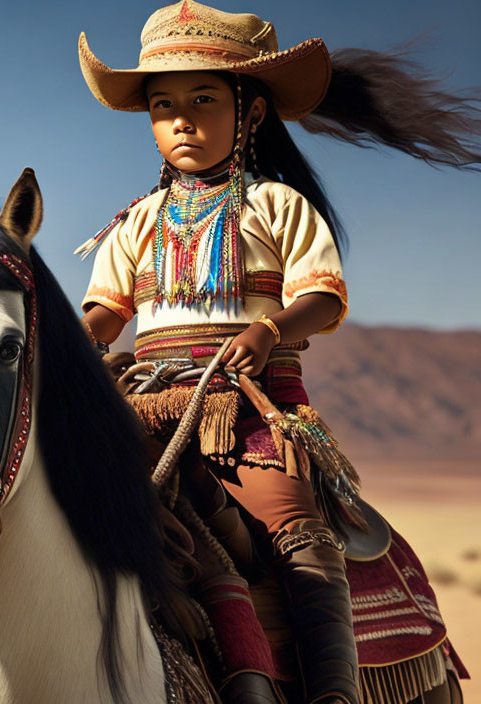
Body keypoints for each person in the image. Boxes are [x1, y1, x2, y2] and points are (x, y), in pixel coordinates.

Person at [75, 1, 477, 703]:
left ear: (251, 112)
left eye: (203, 99)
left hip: (252, 412)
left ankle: (332, 692)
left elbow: (321, 296)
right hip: (145, 408)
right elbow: (107, 310)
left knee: (291, 521)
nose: (181, 119)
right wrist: (75, 343)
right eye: (163, 105)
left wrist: (271, 330)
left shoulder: (279, 206)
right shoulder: (133, 223)